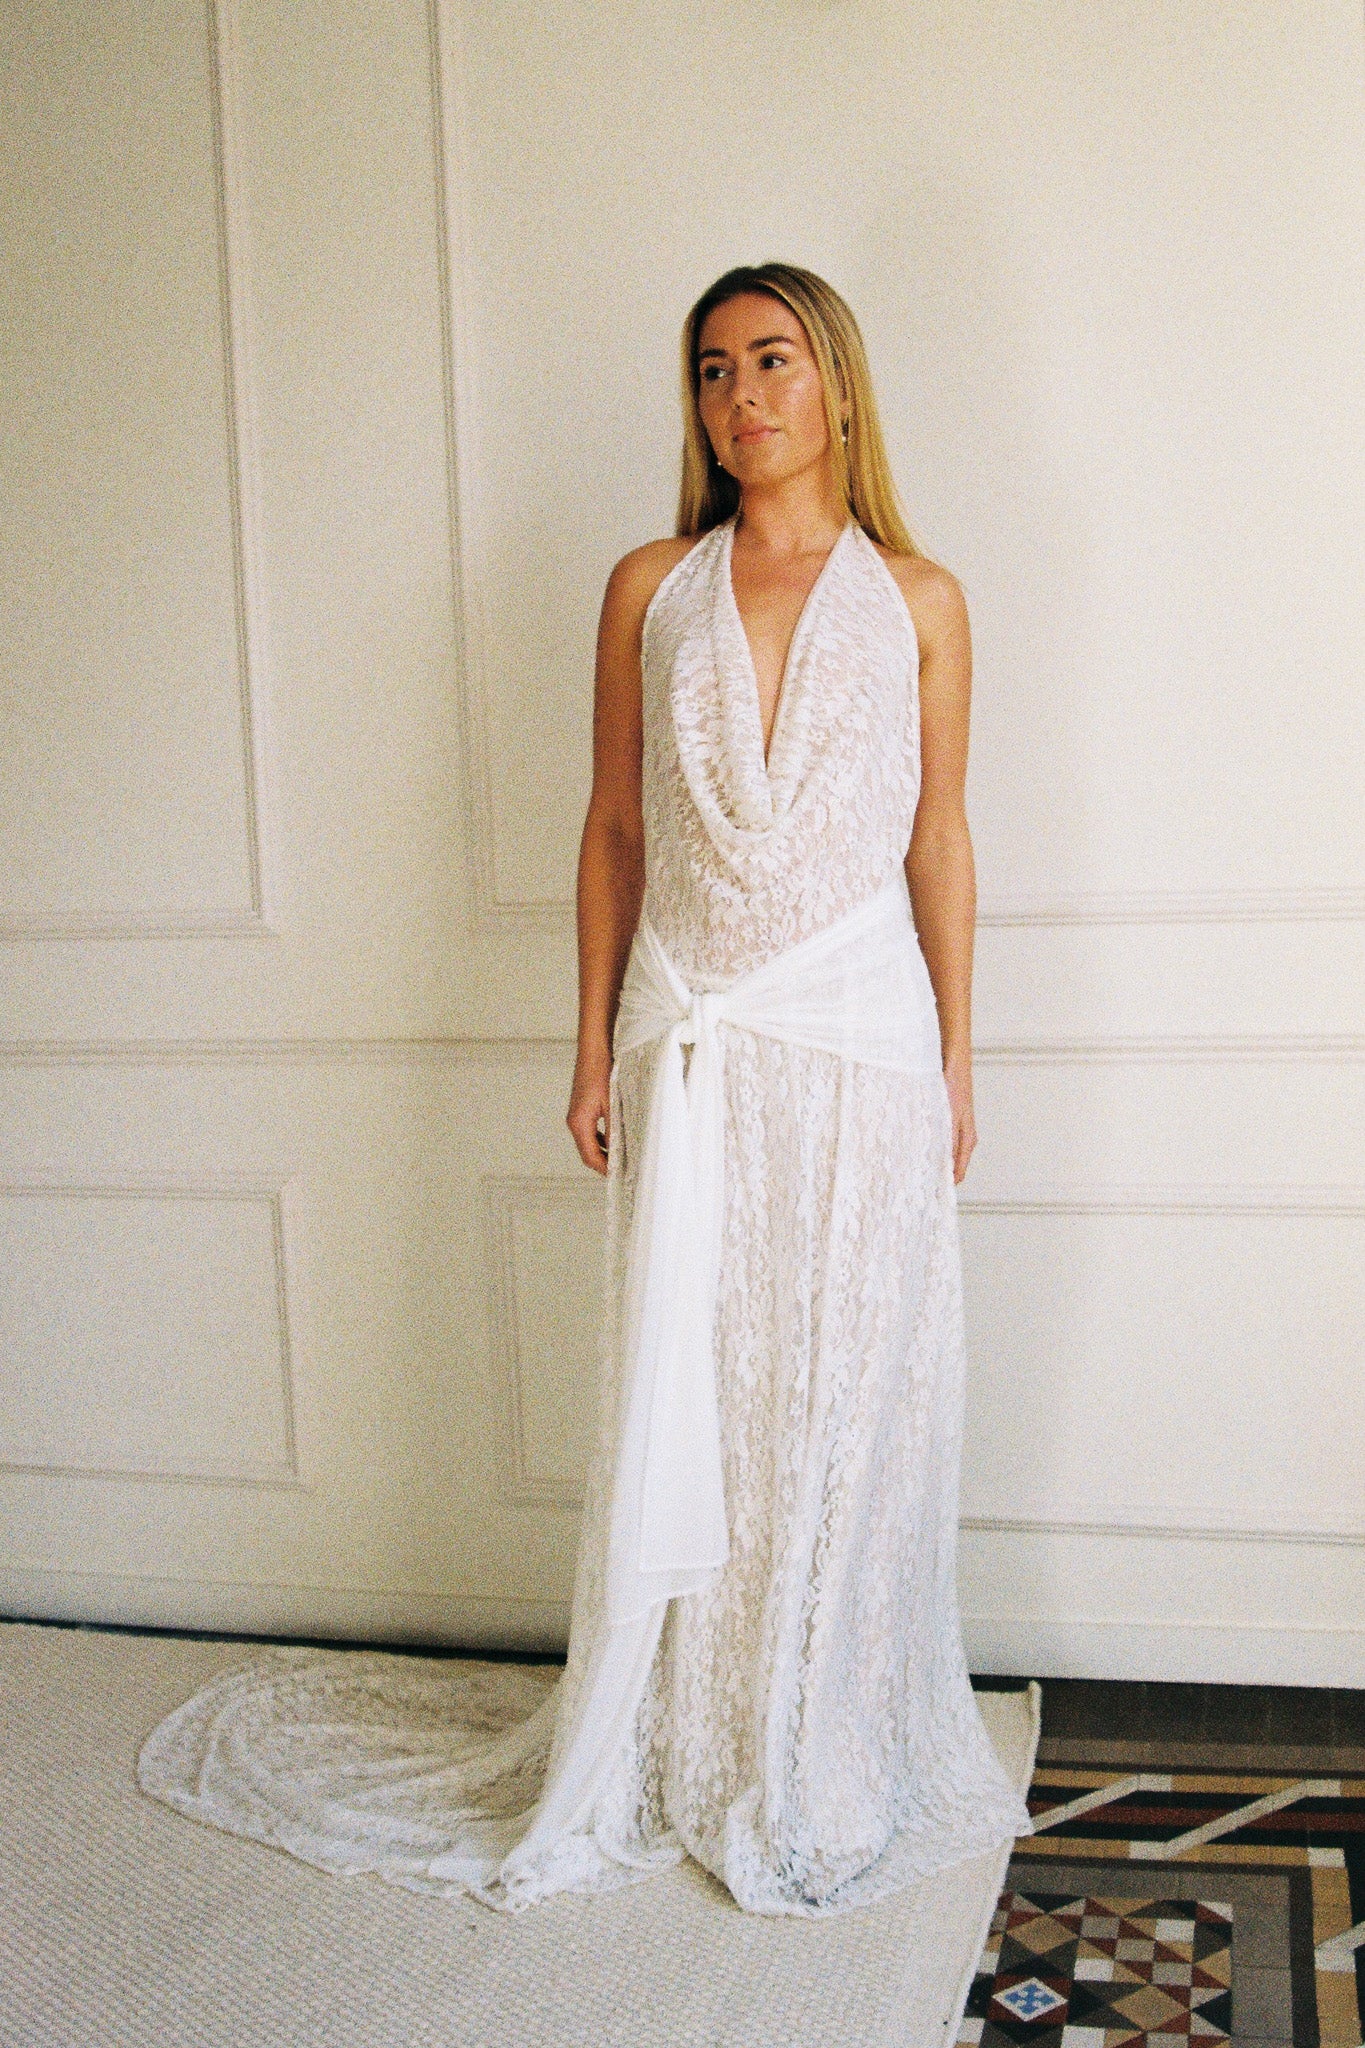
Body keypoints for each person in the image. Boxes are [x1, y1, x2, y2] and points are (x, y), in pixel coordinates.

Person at [138, 261, 1030, 1916]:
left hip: (859, 1042)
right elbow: (614, 825)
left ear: (837, 384)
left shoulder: (920, 599)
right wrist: (587, 1041)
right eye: (711, 371)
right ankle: (692, 1739)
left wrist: (958, 1055)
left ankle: (822, 1743)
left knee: (844, 1392)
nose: (740, 397)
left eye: (772, 361)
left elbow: (939, 837)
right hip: (683, 1036)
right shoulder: (648, 588)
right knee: (698, 1387)